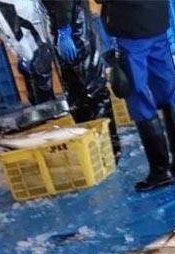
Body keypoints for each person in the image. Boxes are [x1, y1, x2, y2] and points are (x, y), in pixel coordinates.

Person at [98, 0, 175, 191]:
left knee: (138, 96)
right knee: (168, 91)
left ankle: (160, 171)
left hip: (131, 29)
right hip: (157, 22)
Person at [44, 0, 120, 158]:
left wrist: (64, 29)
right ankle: (94, 147)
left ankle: (109, 147)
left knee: (94, 91)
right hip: (64, 32)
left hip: (77, 32)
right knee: (77, 97)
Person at [0, 0, 55, 106]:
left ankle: (48, 105)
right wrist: (20, 56)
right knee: (32, 71)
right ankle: (44, 104)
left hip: (34, 29)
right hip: (27, 34)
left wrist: (26, 57)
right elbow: (7, 38)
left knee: (39, 67)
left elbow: (13, 34)